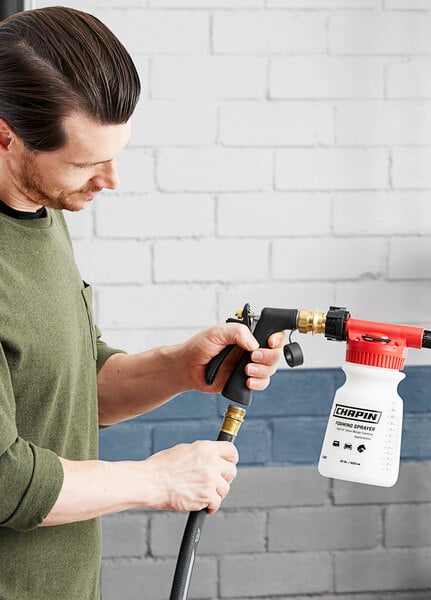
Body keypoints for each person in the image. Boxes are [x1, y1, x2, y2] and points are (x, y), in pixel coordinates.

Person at [0, 6, 284, 599]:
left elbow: (71, 390)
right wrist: (156, 479)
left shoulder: (41, 209)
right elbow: (4, 479)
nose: (111, 180)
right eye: (85, 162)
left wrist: (180, 367)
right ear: (6, 135)